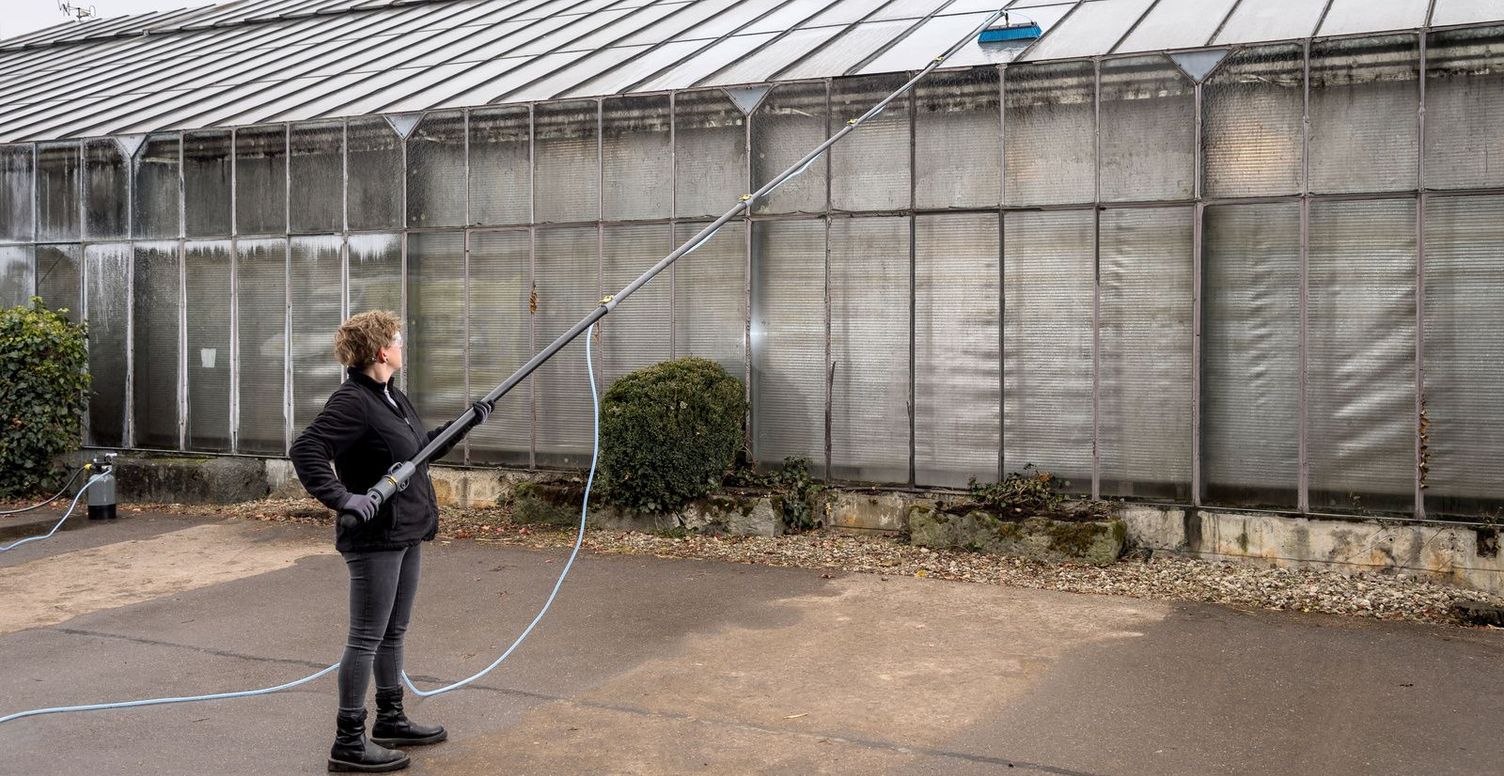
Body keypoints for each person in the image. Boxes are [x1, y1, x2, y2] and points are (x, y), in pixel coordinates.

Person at [289, 310, 490, 773]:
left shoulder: (390, 396)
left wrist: (467, 422)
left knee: (392, 632)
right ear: (382, 351)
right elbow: (307, 449)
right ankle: (349, 741)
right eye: (398, 339)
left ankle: (391, 717)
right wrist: (343, 498)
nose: (403, 345)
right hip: (376, 538)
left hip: (406, 531)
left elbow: (416, 453)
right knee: (365, 638)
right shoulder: (353, 401)